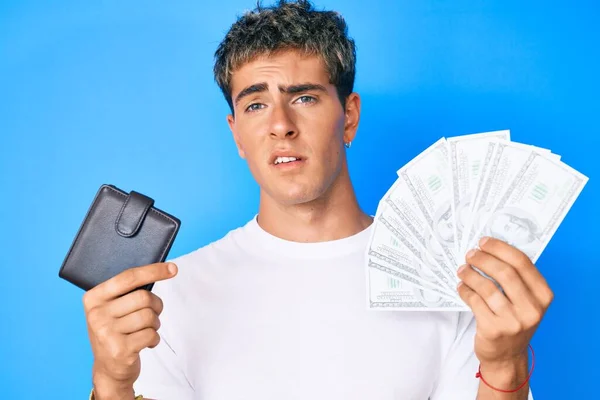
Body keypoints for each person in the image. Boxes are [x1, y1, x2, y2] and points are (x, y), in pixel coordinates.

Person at [83, 1, 553, 399]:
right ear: (237, 136)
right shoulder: (167, 299)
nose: (280, 124)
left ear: (348, 117)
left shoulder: (451, 283)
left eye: (304, 98)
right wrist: (111, 384)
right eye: (254, 104)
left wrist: (506, 366)